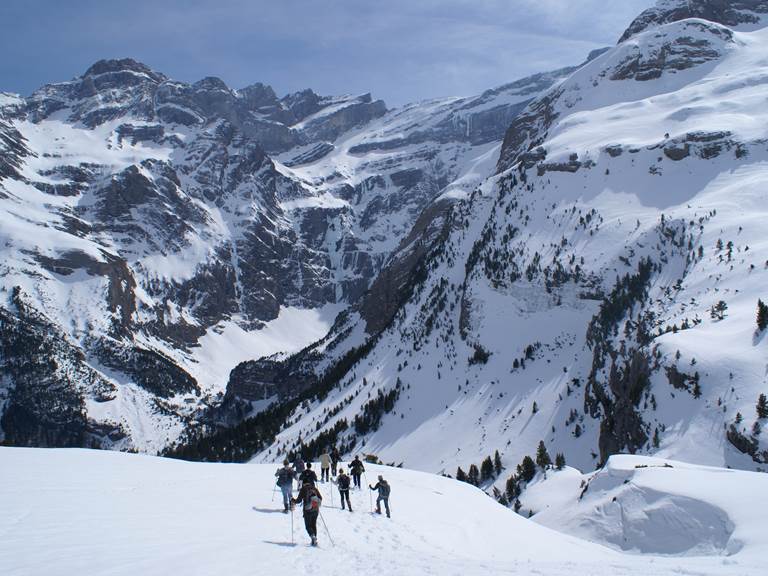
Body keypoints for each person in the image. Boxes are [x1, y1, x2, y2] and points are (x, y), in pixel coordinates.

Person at [292, 480, 323, 546]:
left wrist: (293, 500)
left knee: (308, 526)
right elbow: (320, 498)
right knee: (313, 524)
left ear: (303, 484)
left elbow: (298, 501)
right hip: (316, 509)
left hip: (307, 510)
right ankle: (314, 540)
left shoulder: (303, 489)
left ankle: (313, 537)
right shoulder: (314, 488)